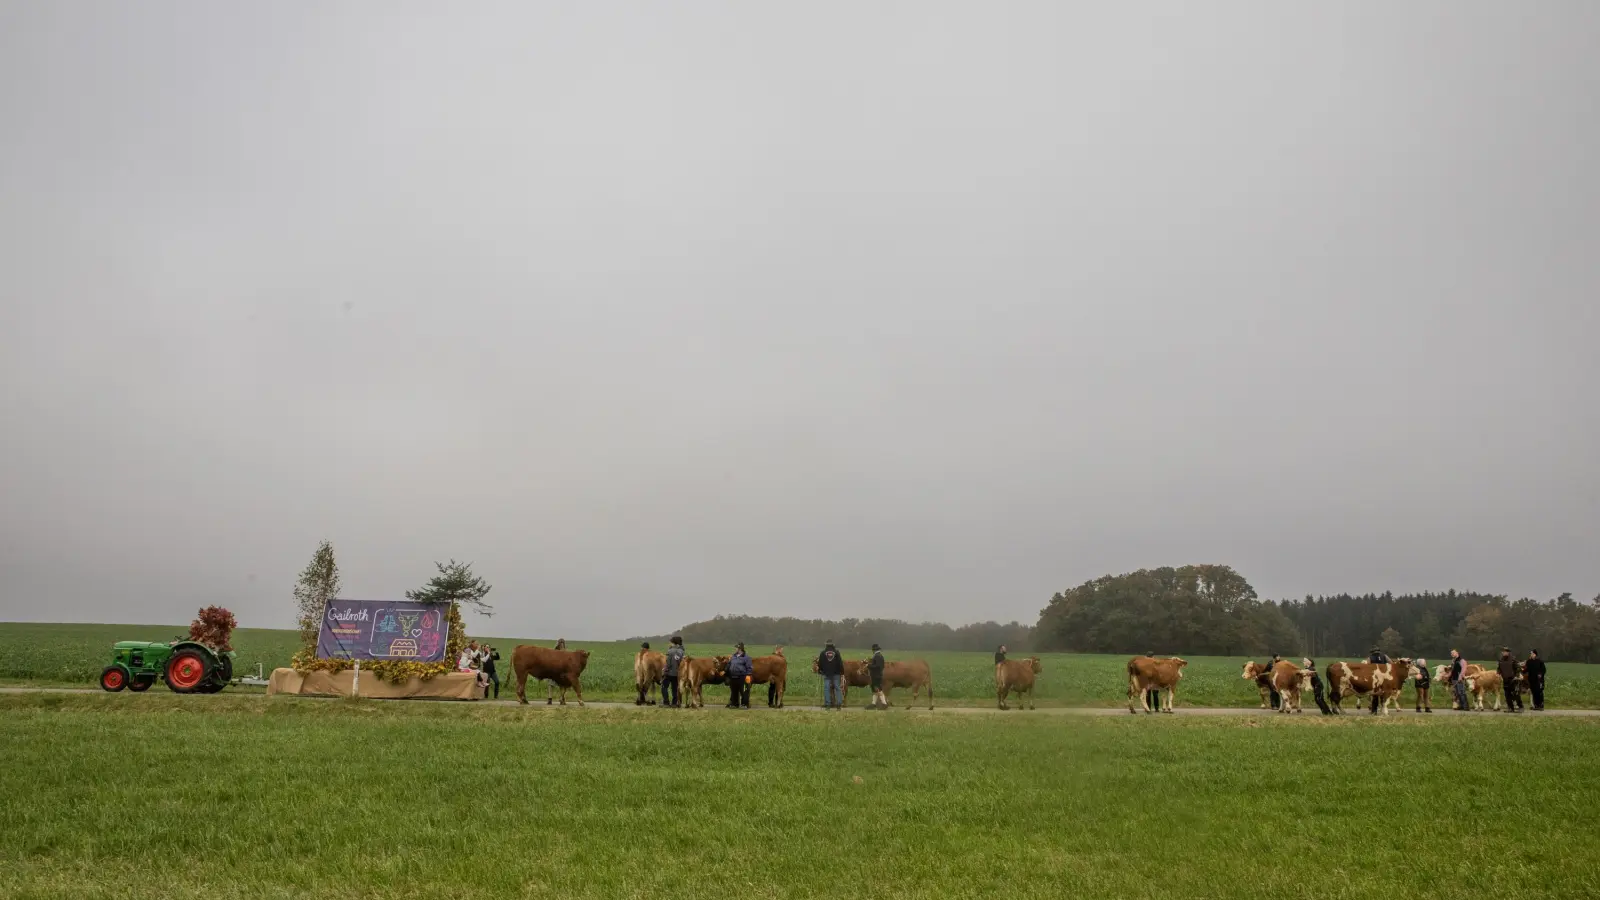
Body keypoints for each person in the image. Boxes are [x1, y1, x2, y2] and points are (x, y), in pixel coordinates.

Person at [817, 640, 845, 710]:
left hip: (827, 674)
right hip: (836, 673)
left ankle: (828, 704)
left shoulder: (823, 653)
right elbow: (840, 663)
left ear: (826, 645)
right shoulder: (836, 652)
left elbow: (820, 663)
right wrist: (842, 672)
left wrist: (820, 671)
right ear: (833, 645)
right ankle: (839, 704)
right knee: (837, 688)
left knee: (826, 689)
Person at [725, 643, 753, 709]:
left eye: (736, 648)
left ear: (740, 649)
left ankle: (744, 704)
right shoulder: (733, 657)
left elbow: (749, 667)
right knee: (734, 691)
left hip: (742, 676)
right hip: (733, 676)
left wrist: (748, 675)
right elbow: (729, 665)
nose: (735, 649)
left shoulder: (746, 657)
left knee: (743, 691)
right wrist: (725, 670)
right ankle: (735, 704)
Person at [1497, 647, 1523, 713]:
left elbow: (1518, 668)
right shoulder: (1500, 660)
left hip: (1513, 679)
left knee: (1516, 694)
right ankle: (1510, 708)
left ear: (1508, 652)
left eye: (1505, 651)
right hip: (1505, 679)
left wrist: (1516, 676)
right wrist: (1498, 673)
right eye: (1503, 651)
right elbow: (1499, 668)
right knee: (1507, 695)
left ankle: (1520, 707)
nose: (1504, 653)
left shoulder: (1513, 660)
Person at [663, 636, 685, 708]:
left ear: (673, 643)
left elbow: (668, 664)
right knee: (675, 688)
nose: (669, 643)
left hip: (669, 673)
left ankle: (666, 703)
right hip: (677, 674)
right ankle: (674, 703)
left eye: (670, 642)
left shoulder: (670, 651)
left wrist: (664, 671)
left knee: (664, 687)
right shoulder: (681, 651)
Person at [1367, 647, 1390, 714]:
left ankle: (1374, 711)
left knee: (1375, 694)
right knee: (1383, 692)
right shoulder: (1385, 656)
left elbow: (1367, 667)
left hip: (1375, 677)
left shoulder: (1370, 657)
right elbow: (1391, 663)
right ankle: (1384, 708)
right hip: (1384, 677)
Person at [868, 643, 887, 710]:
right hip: (877, 675)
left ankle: (884, 704)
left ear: (874, 650)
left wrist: (869, 666)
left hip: (876, 675)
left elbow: (878, 666)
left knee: (878, 690)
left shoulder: (877, 656)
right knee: (875, 690)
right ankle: (873, 704)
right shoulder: (879, 656)